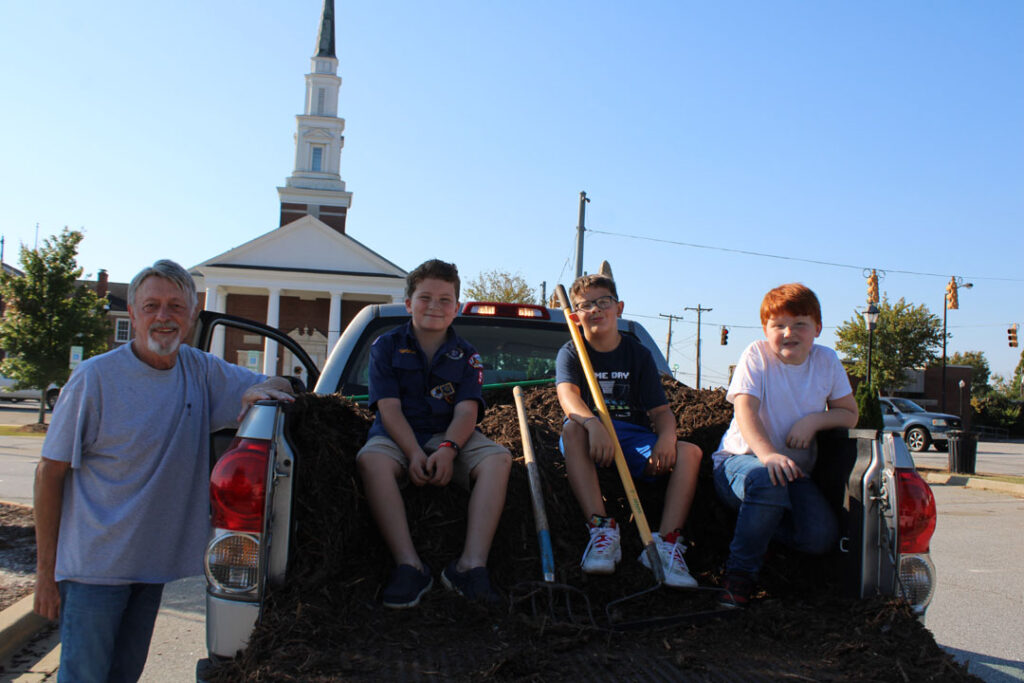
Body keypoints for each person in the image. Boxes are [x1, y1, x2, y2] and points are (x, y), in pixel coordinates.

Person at [33, 259, 296, 682]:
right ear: (133, 313)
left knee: (125, 675)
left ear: (193, 315)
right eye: (151, 305)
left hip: (148, 567)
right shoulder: (94, 380)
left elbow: (279, 384)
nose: (163, 316)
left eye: (176, 306)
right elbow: (49, 473)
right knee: (84, 675)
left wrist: (259, 390)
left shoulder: (200, 370)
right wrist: (46, 575)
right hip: (93, 572)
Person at [356, 259, 511, 608]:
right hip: (397, 436)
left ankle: (470, 566)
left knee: (499, 459)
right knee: (371, 461)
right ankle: (409, 566)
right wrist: (413, 453)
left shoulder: (468, 355)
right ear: (409, 303)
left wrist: (448, 449)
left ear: (456, 308)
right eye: (425, 298)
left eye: (445, 300)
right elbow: (389, 408)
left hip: (451, 436)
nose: (435, 306)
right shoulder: (385, 346)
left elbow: (467, 410)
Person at [711, 283, 858, 609]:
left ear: (817, 328)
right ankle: (738, 577)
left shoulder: (826, 361)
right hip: (740, 464)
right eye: (778, 325)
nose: (788, 332)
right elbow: (745, 412)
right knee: (766, 480)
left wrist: (813, 422)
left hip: (791, 474)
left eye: (800, 324)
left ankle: (756, 525)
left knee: (819, 537)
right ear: (766, 330)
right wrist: (769, 456)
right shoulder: (756, 355)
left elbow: (850, 414)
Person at [555, 274, 702, 589]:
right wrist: (593, 423)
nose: (595, 310)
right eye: (585, 305)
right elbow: (568, 398)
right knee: (572, 429)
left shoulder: (638, 354)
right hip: (590, 435)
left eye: (603, 302)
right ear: (574, 315)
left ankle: (664, 546)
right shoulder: (571, 351)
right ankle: (601, 530)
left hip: (634, 439)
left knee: (690, 452)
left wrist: (666, 438)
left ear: (618, 307)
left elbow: (661, 412)